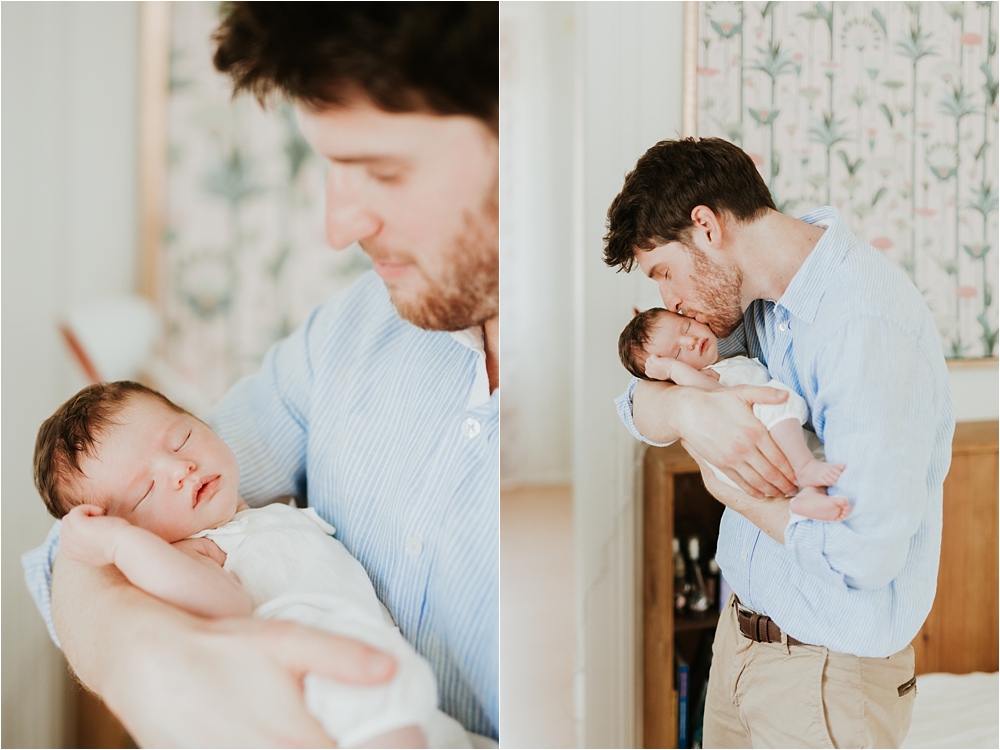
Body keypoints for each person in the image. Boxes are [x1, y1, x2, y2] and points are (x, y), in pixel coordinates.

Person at [22, 4, 499, 746]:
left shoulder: (667, 376)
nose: (339, 228)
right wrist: (144, 658)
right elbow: (76, 544)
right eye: (331, 170)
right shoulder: (343, 336)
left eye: (382, 170)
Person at [604, 136, 953, 748]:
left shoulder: (863, 324)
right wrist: (686, 407)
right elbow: (635, 402)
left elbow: (865, 556)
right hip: (740, 648)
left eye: (664, 272)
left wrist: (741, 499)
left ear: (706, 227)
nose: (671, 303)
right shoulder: (757, 307)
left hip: (826, 677)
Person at [34, 380, 472, 749]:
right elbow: (225, 603)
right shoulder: (196, 551)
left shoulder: (267, 514)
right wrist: (119, 544)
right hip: (317, 683)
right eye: (145, 490)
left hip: (392, 675)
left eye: (180, 438)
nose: (180, 468)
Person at [619, 307, 850, 522]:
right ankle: (805, 470)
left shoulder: (726, 354)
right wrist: (673, 369)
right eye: (677, 353)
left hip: (775, 439)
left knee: (816, 452)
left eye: (686, 327)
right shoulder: (705, 378)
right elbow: (712, 397)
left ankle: (810, 495)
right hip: (756, 442)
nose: (690, 342)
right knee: (777, 400)